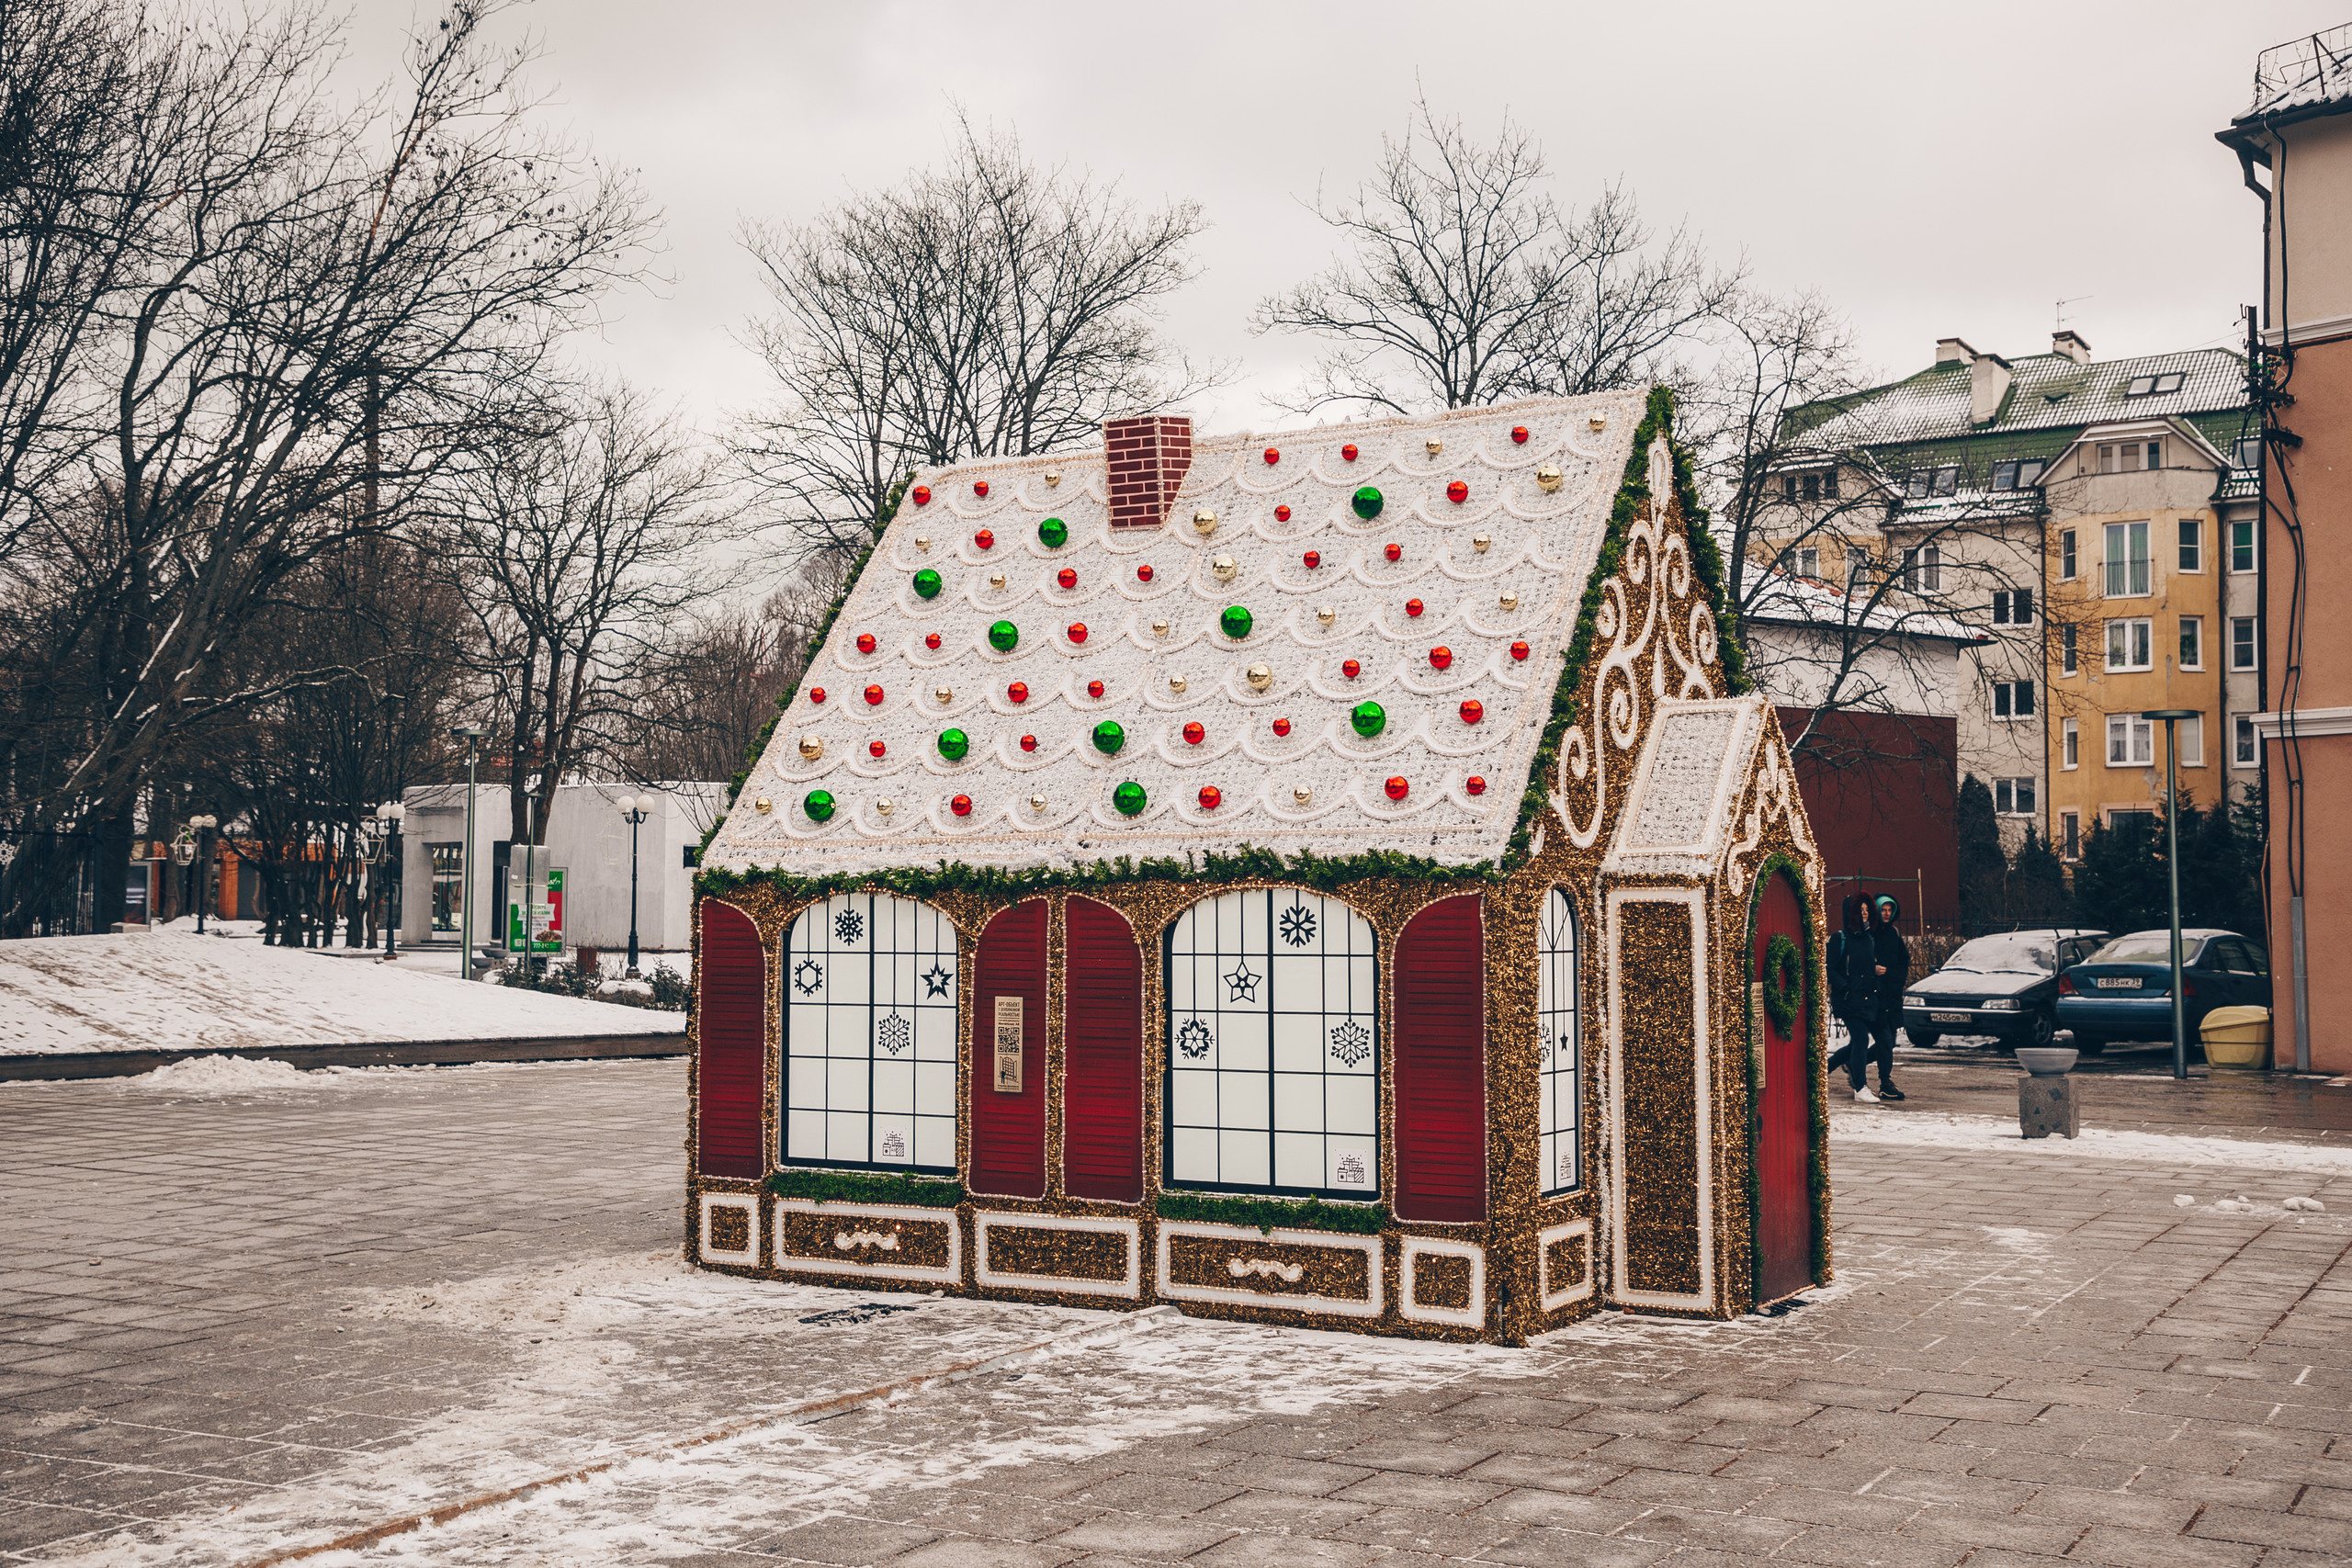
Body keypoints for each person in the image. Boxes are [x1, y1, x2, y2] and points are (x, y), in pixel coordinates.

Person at [1858, 893, 1911, 1101]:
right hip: (1873, 996)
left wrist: (1890, 974)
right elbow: (1856, 962)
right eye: (1883, 909)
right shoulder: (1867, 934)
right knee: (1884, 1041)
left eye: (1890, 910)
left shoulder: (1894, 934)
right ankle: (1885, 1082)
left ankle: (1855, 1063)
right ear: (1876, 911)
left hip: (1891, 996)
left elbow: (1903, 963)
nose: (1887, 913)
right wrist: (1872, 970)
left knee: (1888, 1042)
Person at [1832, 894, 1881, 1101]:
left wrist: (1875, 972)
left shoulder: (1869, 938)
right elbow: (1831, 969)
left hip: (1867, 998)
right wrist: (1845, 988)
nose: (1864, 914)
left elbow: (1866, 965)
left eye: (1867, 910)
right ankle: (1860, 1088)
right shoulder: (1839, 938)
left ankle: (1817, 1074)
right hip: (1848, 999)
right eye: (1860, 911)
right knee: (1861, 1039)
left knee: (1856, 1045)